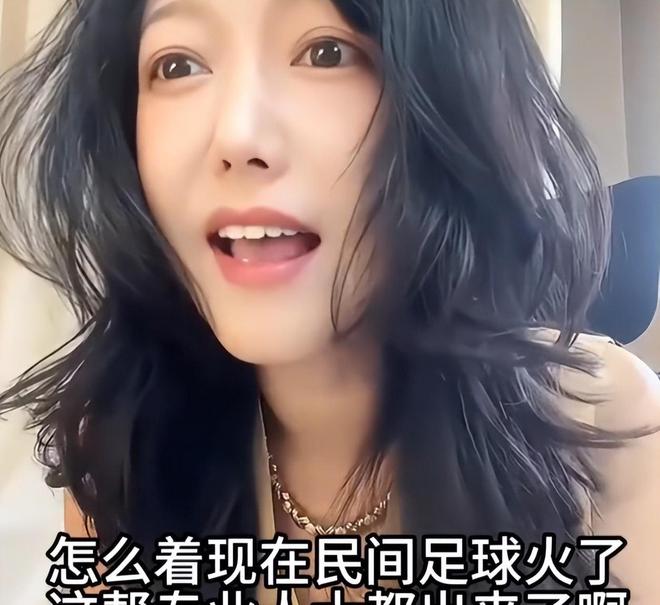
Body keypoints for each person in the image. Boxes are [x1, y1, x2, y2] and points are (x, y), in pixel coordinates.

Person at [1, 0, 659, 603]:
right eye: (178, 64)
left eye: (326, 52)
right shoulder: (119, 452)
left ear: (448, 91)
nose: (237, 137)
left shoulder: (611, 435)